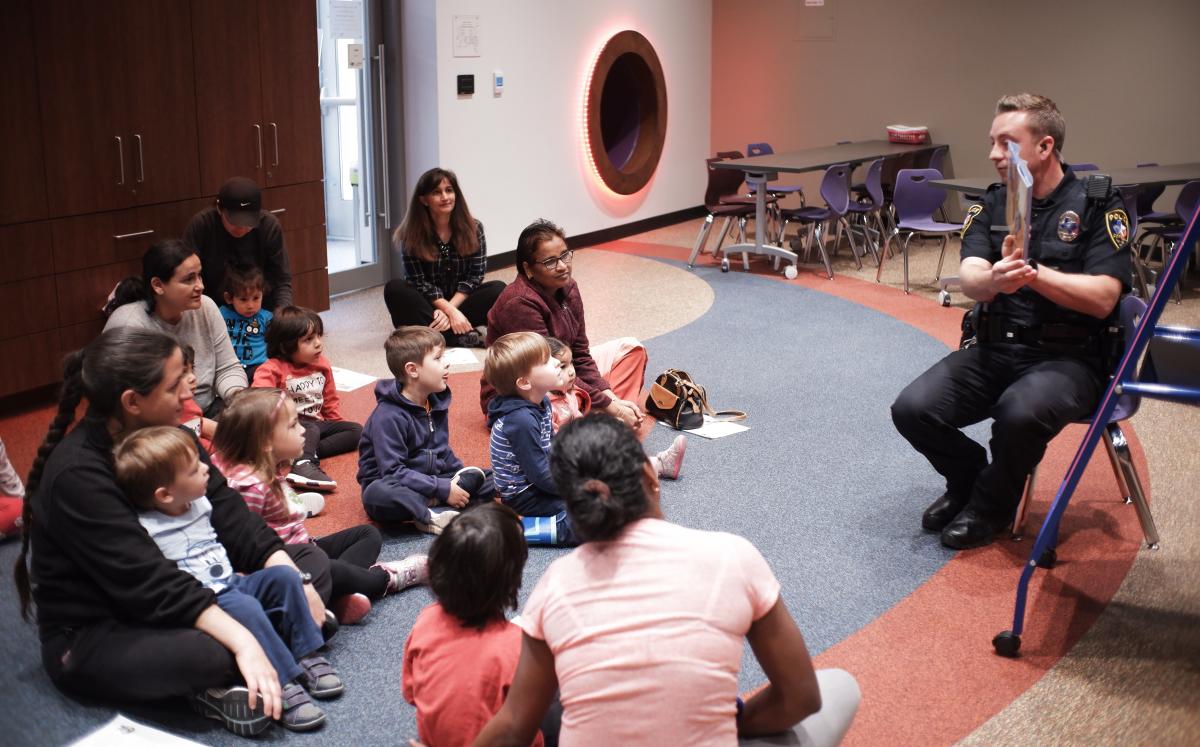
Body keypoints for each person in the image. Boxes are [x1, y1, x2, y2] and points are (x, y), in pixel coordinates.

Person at [13, 328, 332, 737]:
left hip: (193, 585)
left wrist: (295, 578)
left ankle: (265, 636)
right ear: (132, 402)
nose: (189, 393)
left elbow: (231, 515)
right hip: (103, 626)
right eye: (174, 385)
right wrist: (242, 641)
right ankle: (235, 666)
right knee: (207, 654)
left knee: (307, 566)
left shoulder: (171, 435)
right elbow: (146, 581)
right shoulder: (77, 475)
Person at [473, 414, 861, 746]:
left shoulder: (554, 584)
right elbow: (801, 697)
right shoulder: (732, 555)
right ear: (648, 474)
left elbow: (513, 727)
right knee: (838, 686)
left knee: (552, 699)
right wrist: (733, 724)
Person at [891, 93, 1132, 550]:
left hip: (1070, 360)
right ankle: (968, 480)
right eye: (992, 142)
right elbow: (971, 277)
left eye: (1007, 143)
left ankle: (991, 506)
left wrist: (1033, 275)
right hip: (995, 348)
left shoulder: (1099, 204)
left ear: (1044, 147)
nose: (994, 155)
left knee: (1018, 413)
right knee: (913, 409)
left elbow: (1104, 299)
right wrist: (995, 280)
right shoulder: (994, 202)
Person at [114, 426, 337, 732]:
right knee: (246, 608)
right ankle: (282, 681)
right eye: (194, 469)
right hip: (209, 600)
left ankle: (305, 653)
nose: (207, 468)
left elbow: (243, 532)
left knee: (284, 576)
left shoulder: (202, 501)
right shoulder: (146, 526)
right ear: (164, 494)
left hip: (233, 581)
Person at [212, 388, 428, 625]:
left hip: (305, 550)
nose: (304, 430)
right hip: (288, 568)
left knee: (368, 535)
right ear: (265, 442)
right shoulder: (248, 487)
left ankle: (335, 595)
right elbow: (252, 552)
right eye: (293, 425)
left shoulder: (264, 465)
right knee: (332, 568)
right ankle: (388, 578)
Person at [403, 503, 552, 747]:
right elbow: (521, 728)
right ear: (510, 580)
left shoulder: (425, 620)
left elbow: (412, 693)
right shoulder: (516, 645)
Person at [481, 219, 648, 427]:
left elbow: (580, 354)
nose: (562, 266)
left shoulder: (569, 287)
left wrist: (613, 400)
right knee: (558, 402)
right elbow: (548, 370)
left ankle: (616, 417)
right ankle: (607, 423)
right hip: (526, 388)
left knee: (631, 349)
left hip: (563, 370)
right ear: (528, 268)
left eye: (564, 255)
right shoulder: (519, 302)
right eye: (550, 262)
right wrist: (610, 406)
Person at [359, 326, 494, 534]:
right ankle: (429, 515)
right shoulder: (388, 416)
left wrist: (457, 475)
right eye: (438, 358)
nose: (447, 363)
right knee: (378, 495)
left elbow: (442, 450)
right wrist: (444, 488)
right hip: (394, 484)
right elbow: (393, 472)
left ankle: (436, 501)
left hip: (429, 478)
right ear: (413, 370)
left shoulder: (435, 401)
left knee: (488, 476)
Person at [105, 239, 248, 416]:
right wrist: (207, 428)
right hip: (156, 423)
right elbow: (135, 406)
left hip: (207, 411)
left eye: (199, 275)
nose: (200, 286)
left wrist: (239, 398)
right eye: (189, 279)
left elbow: (227, 367)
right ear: (158, 285)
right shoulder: (129, 325)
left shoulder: (206, 307)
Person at [384, 167, 507, 348]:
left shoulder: (474, 228)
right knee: (395, 289)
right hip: (428, 305)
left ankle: (434, 335)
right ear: (424, 200)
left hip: (461, 301)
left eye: (449, 190)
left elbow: (474, 277)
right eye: (436, 192)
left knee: (498, 288)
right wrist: (447, 310)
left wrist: (452, 309)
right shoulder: (409, 234)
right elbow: (417, 282)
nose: (445, 197)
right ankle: (457, 336)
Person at [253, 306, 363, 492]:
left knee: (356, 431)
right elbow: (259, 403)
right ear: (285, 346)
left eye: (319, 336)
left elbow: (329, 399)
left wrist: (335, 423)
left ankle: (298, 452)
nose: (318, 343)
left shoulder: (322, 364)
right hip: (285, 428)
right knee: (308, 426)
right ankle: (303, 464)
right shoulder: (271, 369)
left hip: (314, 426)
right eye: (308, 339)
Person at [547, 336, 687, 480]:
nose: (571, 371)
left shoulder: (570, 393)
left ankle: (656, 464)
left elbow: (578, 421)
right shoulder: (546, 406)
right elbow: (551, 445)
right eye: (563, 367)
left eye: (571, 364)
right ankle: (653, 466)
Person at [485, 332, 577, 547]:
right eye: (546, 360)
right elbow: (539, 474)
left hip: (540, 480)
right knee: (588, 519)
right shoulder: (521, 420)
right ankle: (516, 532)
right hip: (525, 494)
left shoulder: (541, 401)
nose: (556, 362)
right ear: (525, 382)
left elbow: (552, 447)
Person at [184, 176, 293, 313]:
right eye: (234, 221)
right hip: (214, 308)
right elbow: (188, 277)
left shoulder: (269, 226)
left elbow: (281, 279)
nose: (241, 228)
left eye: (248, 222)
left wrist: (282, 317)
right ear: (219, 209)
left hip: (259, 306)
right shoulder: (202, 225)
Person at [220, 262, 273, 381]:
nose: (250, 305)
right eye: (243, 299)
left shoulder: (267, 317)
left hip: (259, 367)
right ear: (229, 298)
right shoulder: (221, 314)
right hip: (231, 368)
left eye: (256, 298)